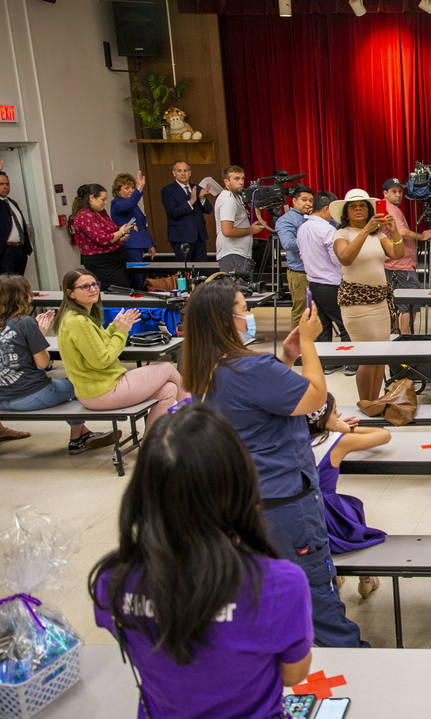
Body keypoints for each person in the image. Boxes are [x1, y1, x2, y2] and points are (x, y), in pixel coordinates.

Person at [89, 403, 314, 718]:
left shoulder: (112, 579)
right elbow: (293, 674)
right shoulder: (279, 583)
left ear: (143, 492)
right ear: (239, 484)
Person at [180, 277, 365, 647]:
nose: (248, 314)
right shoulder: (249, 368)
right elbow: (314, 398)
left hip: (242, 499)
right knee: (314, 594)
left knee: (268, 592)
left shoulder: (204, 369)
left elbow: (255, 404)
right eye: (243, 308)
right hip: (283, 501)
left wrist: (287, 358)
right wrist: (311, 344)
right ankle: (349, 662)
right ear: (225, 319)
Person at [53, 268, 185, 427]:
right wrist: (122, 332)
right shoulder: (78, 322)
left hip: (99, 389)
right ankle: (195, 413)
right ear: (70, 293)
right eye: (85, 286)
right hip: (102, 391)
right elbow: (103, 360)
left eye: (95, 284)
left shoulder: (80, 317)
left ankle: (150, 443)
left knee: (169, 390)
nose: (93, 289)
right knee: (167, 369)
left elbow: (100, 344)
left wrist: (114, 327)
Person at [0, 274, 115, 453]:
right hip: (27, 396)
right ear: (23, 296)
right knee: (79, 383)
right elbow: (43, 363)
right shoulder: (25, 323)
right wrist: (39, 335)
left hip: (2, 397)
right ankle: (78, 437)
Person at [307, 392, 390, 600]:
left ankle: (336, 576)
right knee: (353, 509)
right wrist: (348, 428)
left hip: (304, 512)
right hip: (329, 518)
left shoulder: (291, 440)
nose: (339, 415)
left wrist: (332, 423)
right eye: (335, 412)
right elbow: (384, 435)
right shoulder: (338, 441)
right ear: (325, 419)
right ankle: (366, 578)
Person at [330, 188, 400, 402]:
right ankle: (364, 402)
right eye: (353, 206)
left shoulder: (377, 235)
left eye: (362, 206)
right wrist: (364, 230)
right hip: (356, 304)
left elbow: (397, 253)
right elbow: (346, 258)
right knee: (367, 358)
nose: (358, 209)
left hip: (380, 302)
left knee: (380, 357)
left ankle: (375, 402)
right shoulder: (341, 234)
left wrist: (394, 230)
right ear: (346, 212)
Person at [381, 177, 431, 336]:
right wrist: (421, 236)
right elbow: (402, 232)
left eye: (400, 191)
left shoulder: (389, 208)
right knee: (409, 303)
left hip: (395, 263)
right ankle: (405, 337)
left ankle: (398, 334)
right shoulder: (390, 209)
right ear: (385, 193)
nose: (398, 195)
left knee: (396, 304)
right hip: (400, 265)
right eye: (394, 191)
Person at [296, 191, 350, 348]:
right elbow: (338, 258)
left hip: (313, 282)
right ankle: (350, 362)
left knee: (322, 326)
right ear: (327, 208)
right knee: (344, 324)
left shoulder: (303, 228)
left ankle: (326, 362)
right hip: (331, 283)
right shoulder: (327, 230)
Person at [68, 184, 133, 290]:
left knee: (124, 288)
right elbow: (102, 239)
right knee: (117, 291)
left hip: (115, 259)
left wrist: (121, 236)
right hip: (102, 263)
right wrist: (121, 232)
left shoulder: (100, 212)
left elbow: (111, 231)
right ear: (91, 198)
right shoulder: (84, 215)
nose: (105, 202)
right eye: (102, 199)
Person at [214, 165, 266, 279]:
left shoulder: (236, 196)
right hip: (232, 254)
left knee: (242, 292)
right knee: (237, 292)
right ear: (226, 182)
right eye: (236, 179)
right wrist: (251, 230)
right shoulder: (228, 199)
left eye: (242, 178)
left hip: (239, 253)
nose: (241, 182)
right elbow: (227, 231)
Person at [275, 185, 314, 329]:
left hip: (319, 272)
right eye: (304, 200)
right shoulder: (286, 220)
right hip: (300, 273)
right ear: (294, 201)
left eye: (311, 200)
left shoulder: (315, 216)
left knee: (318, 311)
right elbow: (289, 244)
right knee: (302, 311)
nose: (308, 203)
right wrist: (313, 237)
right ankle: (298, 347)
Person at [160, 161, 213, 263]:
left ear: (190, 173)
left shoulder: (197, 188)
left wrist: (202, 198)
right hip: (181, 237)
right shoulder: (167, 190)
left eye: (185, 170)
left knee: (201, 270)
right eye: (179, 171)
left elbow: (209, 210)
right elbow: (173, 212)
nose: (183, 173)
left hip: (200, 237)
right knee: (185, 270)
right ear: (174, 173)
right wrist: (191, 202)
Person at [109, 172, 154, 290]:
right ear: (118, 190)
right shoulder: (116, 203)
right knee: (135, 276)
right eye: (126, 188)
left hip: (140, 245)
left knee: (142, 276)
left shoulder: (133, 205)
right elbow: (128, 205)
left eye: (132, 188)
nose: (131, 190)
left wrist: (150, 244)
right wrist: (139, 188)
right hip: (129, 245)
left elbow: (142, 225)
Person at [0, 169, 33, 276]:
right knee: (7, 284)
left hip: (20, 249)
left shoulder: (12, 202)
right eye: (1, 184)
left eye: (7, 184)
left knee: (19, 282)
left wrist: (26, 249)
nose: (5, 187)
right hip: (6, 251)